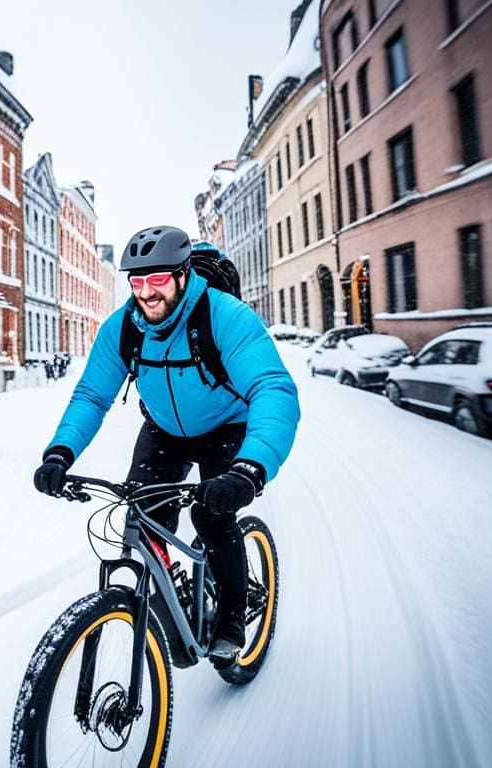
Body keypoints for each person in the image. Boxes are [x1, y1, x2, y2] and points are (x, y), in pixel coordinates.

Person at [33, 226, 300, 663]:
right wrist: (60, 453)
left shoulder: (224, 316)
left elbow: (273, 389)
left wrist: (250, 468)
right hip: (165, 432)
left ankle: (233, 611)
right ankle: (170, 589)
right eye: (137, 282)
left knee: (211, 515)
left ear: (182, 275)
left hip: (228, 428)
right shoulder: (124, 328)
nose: (146, 293)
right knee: (141, 511)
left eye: (157, 280)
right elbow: (92, 396)